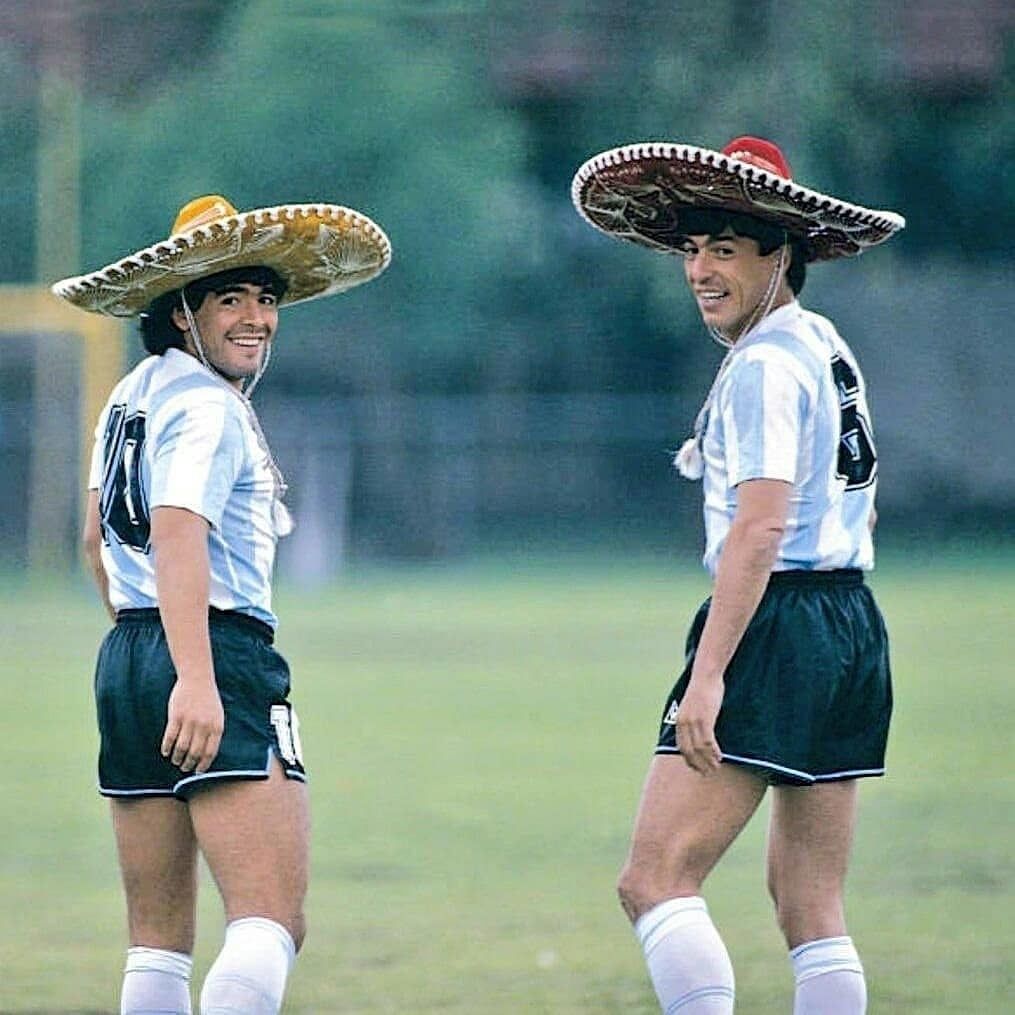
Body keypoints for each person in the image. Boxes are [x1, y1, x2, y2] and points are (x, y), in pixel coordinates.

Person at [571, 136, 904, 1013]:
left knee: (653, 878)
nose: (699, 269)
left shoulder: (760, 363)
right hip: (851, 623)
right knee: (810, 905)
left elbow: (760, 527)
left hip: (778, 621)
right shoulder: (821, 342)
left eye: (724, 248)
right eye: (691, 248)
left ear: (779, 253)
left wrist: (710, 673)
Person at [52, 194, 391, 1014]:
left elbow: (95, 541)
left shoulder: (131, 392)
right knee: (270, 918)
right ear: (182, 311)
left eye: (266, 299)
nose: (257, 318)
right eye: (230, 299)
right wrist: (195, 676)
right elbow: (176, 531)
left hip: (129, 654)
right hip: (211, 651)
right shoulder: (208, 405)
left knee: (156, 939)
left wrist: (148, 656)